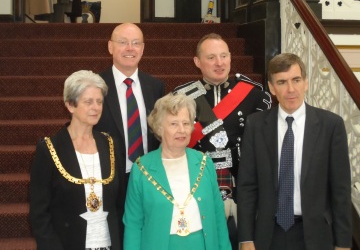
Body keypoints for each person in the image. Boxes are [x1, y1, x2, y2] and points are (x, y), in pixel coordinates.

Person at [237, 53, 352, 250]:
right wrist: (245, 238)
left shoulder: (331, 125)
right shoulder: (255, 125)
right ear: (272, 88)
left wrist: (342, 243)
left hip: (315, 236)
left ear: (306, 83)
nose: (291, 89)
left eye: (296, 80)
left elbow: (340, 190)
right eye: (282, 82)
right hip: (267, 235)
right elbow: (247, 186)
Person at [173, 33, 272, 247]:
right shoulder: (181, 97)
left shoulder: (254, 95)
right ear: (197, 62)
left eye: (224, 56)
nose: (219, 63)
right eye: (211, 58)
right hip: (197, 183)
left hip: (242, 184)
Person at [123, 93, 232, 250]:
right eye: (174, 124)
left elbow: (218, 218)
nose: (182, 130)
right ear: (159, 128)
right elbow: (133, 225)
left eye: (186, 123)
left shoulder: (204, 162)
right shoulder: (142, 168)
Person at [30, 70, 125, 250]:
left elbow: (119, 204)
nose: (96, 107)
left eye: (99, 102)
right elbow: (39, 214)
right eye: (88, 102)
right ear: (70, 105)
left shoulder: (110, 144)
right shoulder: (49, 149)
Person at [95, 23, 165, 190]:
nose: (130, 48)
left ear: (142, 49)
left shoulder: (156, 86)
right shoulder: (95, 86)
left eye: (136, 43)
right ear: (110, 47)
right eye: (123, 42)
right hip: (108, 176)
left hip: (149, 175)